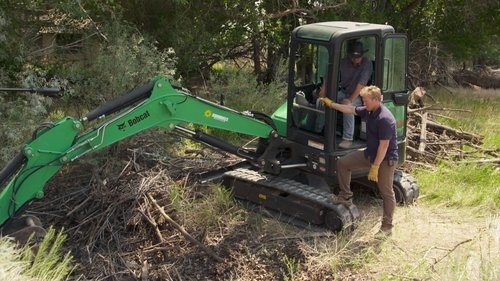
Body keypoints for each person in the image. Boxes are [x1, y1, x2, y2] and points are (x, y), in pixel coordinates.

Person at [320, 85, 398, 236]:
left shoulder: (385, 119)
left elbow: (384, 147)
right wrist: (331, 104)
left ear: (376, 100)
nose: (363, 103)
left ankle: (387, 227)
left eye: (366, 100)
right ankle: (345, 197)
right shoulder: (369, 111)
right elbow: (349, 109)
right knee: (343, 163)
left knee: (386, 192)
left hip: (385, 160)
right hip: (370, 154)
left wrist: (375, 167)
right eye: (363, 100)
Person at [317, 40, 373, 149]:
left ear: (362, 55)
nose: (355, 59)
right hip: (343, 91)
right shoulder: (343, 62)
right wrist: (323, 90)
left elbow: (361, 84)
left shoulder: (367, 64)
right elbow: (329, 73)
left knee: (348, 108)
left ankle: (348, 138)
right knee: (322, 101)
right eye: (353, 57)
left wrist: (350, 100)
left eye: (357, 57)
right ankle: (319, 129)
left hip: (359, 95)